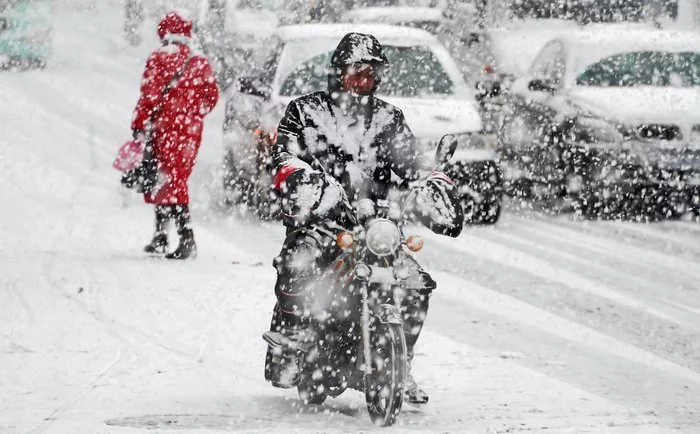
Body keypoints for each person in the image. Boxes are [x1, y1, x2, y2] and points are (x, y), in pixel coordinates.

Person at [264, 32, 463, 403]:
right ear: (338, 73)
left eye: (370, 74)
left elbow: (412, 163)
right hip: (323, 223)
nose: (362, 80)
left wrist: (430, 182)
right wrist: (310, 186)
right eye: (356, 72)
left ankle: (401, 364)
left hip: (376, 228)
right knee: (299, 259)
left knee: (414, 283)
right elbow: (285, 157)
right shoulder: (305, 112)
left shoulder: (388, 118)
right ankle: (293, 342)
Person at [131, 11, 219, 260]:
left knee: (169, 181)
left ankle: (185, 239)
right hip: (190, 133)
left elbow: (148, 96)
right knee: (172, 180)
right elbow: (211, 96)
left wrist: (139, 124)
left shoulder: (159, 58)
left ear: (164, 33)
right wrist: (194, 114)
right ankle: (162, 236)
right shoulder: (199, 61)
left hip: (164, 130)